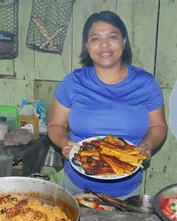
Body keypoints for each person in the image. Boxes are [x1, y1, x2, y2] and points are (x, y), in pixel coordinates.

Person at [47, 10, 167, 199]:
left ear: (124, 42)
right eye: (95, 39)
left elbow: (158, 126)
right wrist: (64, 143)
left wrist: (147, 145)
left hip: (126, 191)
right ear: (87, 46)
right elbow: (55, 125)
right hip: (76, 186)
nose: (104, 45)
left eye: (112, 36)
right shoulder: (72, 82)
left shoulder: (146, 83)